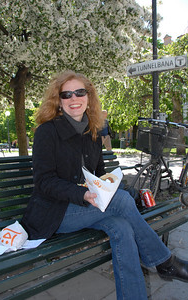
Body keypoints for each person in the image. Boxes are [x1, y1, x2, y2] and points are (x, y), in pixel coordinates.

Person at [21, 70, 188, 300]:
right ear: (58, 101)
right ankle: (164, 261)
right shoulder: (47, 132)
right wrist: (83, 195)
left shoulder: (92, 132)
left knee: (122, 227)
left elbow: (99, 176)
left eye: (79, 92)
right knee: (120, 202)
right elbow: (44, 182)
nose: (73, 99)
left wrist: (121, 189)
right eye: (66, 94)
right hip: (55, 212)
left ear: (88, 96)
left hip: (89, 206)